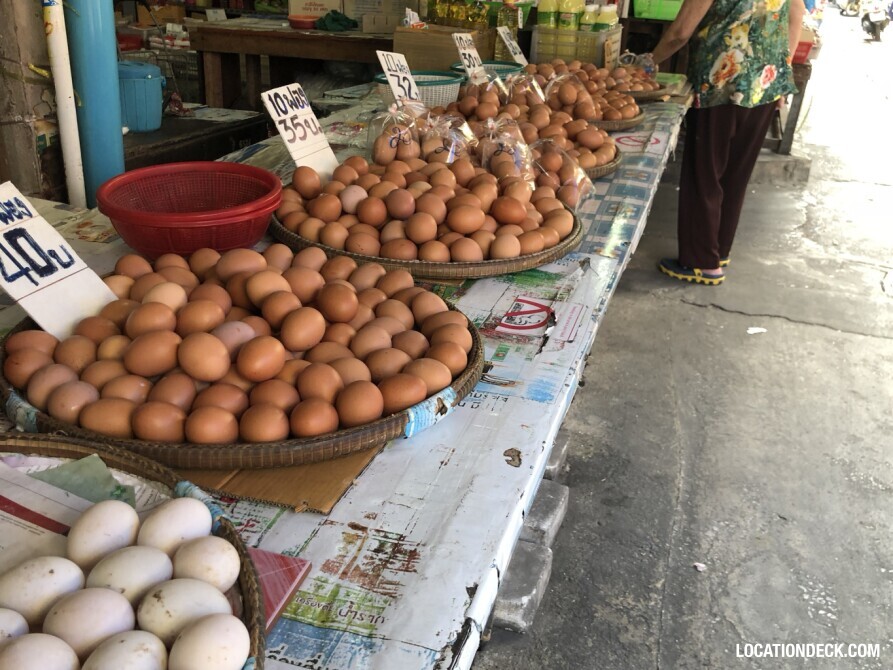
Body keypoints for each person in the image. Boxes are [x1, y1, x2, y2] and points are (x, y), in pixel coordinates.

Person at [645, 0, 806, 285]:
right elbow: (796, 16)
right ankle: (718, 251)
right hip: (765, 85)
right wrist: (782, 71)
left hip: (719, 85)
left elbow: (680, 32)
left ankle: (700, 262)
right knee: (735, 174)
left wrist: (649, 63)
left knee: (704, 174)